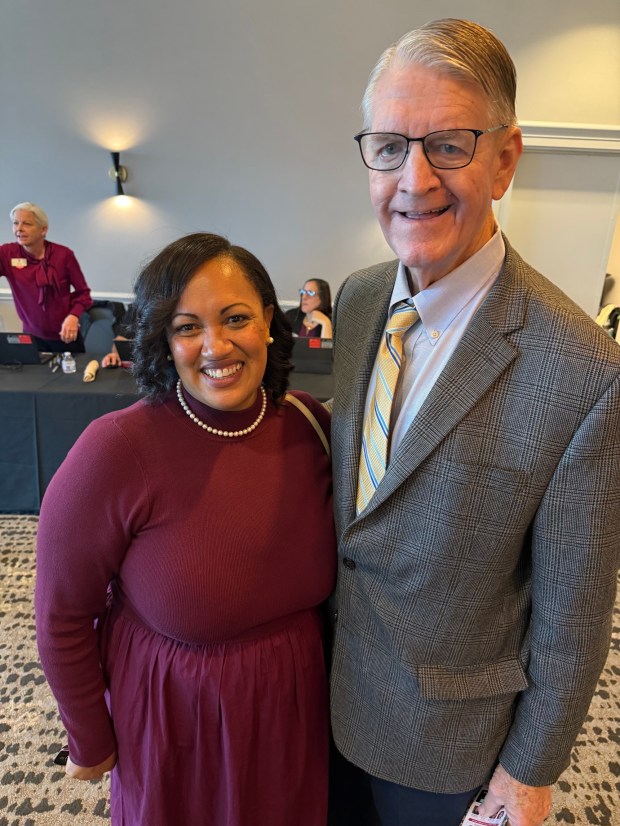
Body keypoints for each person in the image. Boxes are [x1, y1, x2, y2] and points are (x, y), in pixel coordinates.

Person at [328, 18, 620, 826]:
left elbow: (573, 622)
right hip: (324, 692)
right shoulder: (358, 300)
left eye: (448, 145)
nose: (413, 179)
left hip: (446, 745)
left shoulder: (584, 372)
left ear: (505, 159)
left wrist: (528, 775)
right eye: (390, 147)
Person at [35, 232, 336, 825]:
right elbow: (61, 614)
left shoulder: (309, 424)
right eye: (187, 327)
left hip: (295, 710)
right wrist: (89, 737)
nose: (215, 345)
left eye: (236, 318)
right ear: (163, 340)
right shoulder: (116, 449)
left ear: (268, 321)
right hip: (176, 726)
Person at [0, 202, 93, 344]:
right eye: (15, 223)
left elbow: (84, 294)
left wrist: (73, 316)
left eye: (27, 224)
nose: (19, 228)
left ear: (43, 230)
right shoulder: (7, 253)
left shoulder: (64, 255)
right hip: (31, 336)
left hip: (66, 335)